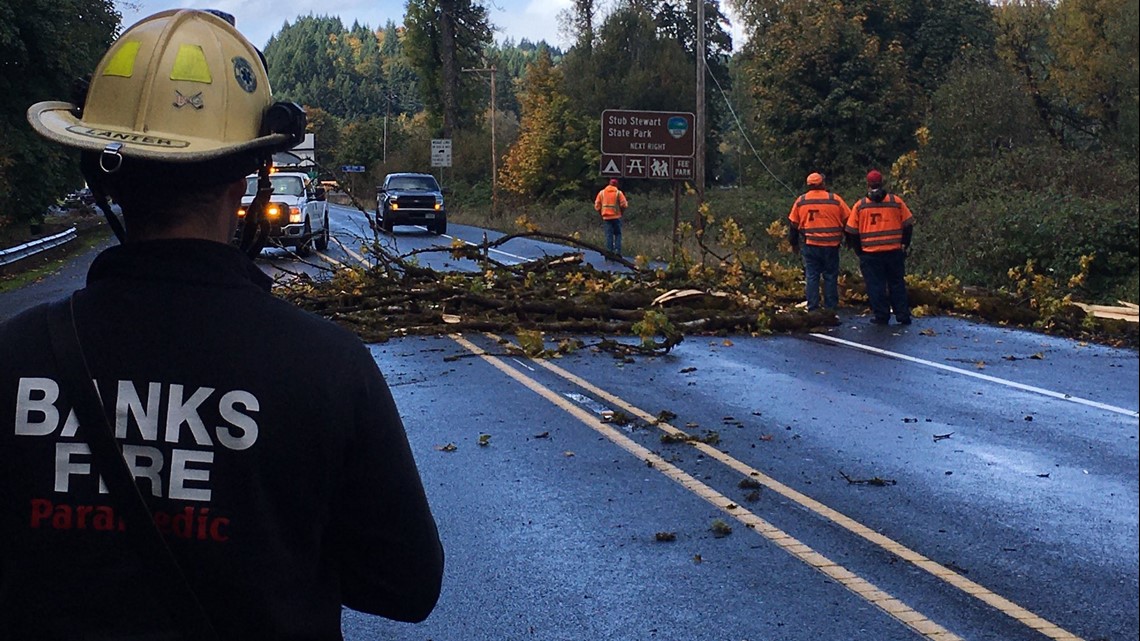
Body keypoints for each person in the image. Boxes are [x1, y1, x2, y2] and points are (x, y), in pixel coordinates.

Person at [2, 9, 443, 640]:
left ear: (104, 171)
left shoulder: (15, 355)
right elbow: (406, 586)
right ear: (246, 174)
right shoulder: (324, 367)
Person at [845, 169, 915, 325]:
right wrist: (904, 243)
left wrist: (859, 251)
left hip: (870, 254)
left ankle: (882, 316)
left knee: (876, 286)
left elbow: (852, 232)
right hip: (894, 252)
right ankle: (903, 315)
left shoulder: (860, 205)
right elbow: (909, 225)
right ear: (882, 183)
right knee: (897, 283)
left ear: (868, 185)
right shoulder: (895, 201)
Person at [786, 172, 852, 311]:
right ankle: (830, 308)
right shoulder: (835, 199)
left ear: (808, 185)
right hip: (831, 246)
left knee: (812, 276)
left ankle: (813, 307)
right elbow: (849, 221)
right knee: (830, 276)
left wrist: (794, 244)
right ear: (823, 184)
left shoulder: (801, 201)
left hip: (811, 244)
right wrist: (849, 240)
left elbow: (793, 225)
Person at [594, 178, 629, 257]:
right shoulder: (618, 193)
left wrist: (601, 213)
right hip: (617, 216)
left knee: (608, 235)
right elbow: (624, 205)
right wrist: (621, 212)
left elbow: (597, 206)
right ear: (616, 185)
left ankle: (609, 252)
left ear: (609, 184)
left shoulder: (602, 193)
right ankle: (617, 252)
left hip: (606, 217)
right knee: (618, 234)